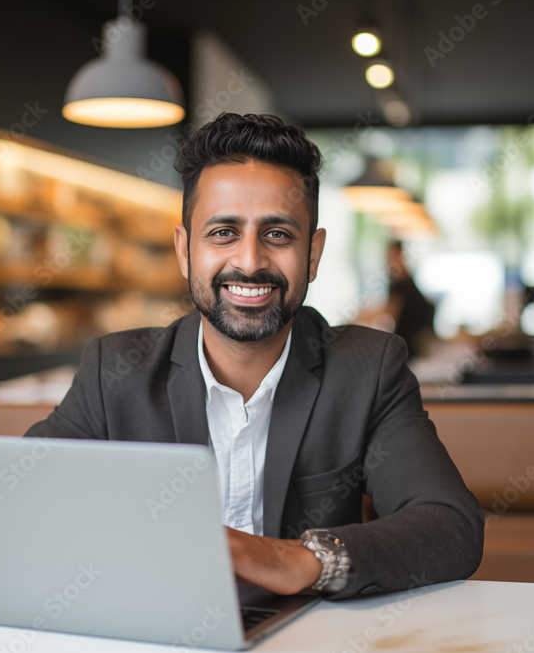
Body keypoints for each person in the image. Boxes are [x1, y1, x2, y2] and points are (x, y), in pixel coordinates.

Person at [24, 113, 483, 600]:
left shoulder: (368, 369)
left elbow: (450, 526)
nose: (249, 261)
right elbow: (23, 500)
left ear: (313, 253)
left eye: (278, 234)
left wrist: (298, 559)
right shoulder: (113, 372)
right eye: (223, 232)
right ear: (185, 251)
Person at [386, 240, 437, 358]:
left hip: (412, 347)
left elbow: (389, 311)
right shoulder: (404, 282)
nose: (389, 261)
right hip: (415, 344)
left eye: (392, 257)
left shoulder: (402, 285)